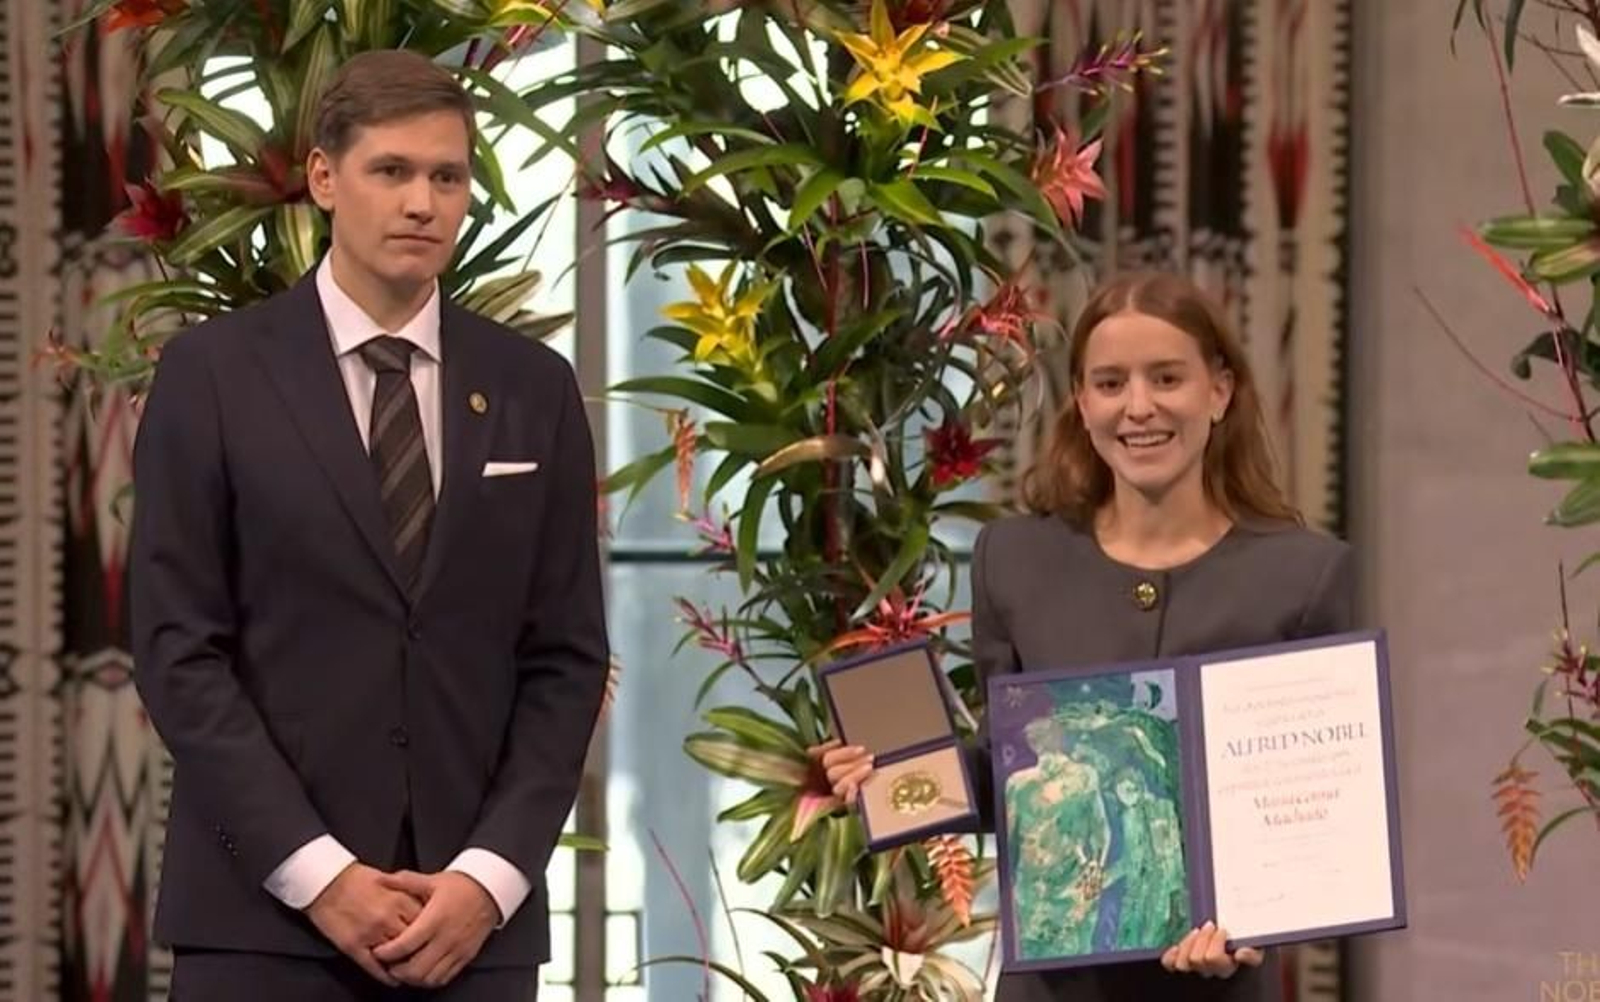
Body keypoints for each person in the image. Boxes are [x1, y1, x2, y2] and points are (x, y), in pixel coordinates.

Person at [129, 50, 609, 1001]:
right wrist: (321, 877)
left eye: (447, 176)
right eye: (391, 171)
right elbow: (179, 650)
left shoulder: (533, 387)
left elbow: (565, 659)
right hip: (262, 928)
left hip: (472, 933)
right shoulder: (212, 375)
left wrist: (490, 879)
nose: (422, 202)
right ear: (323, 178)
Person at [822, 270, 1353, 1001]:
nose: (1139, 408)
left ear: (1220, 391)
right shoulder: (1013, 558)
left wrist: (1255, 928)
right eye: (1110, 383)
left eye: (1167, 377)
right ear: (1081, 400)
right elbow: (1008, 770)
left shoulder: (1305, 577)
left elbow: (1323, 810)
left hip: (1219, 988)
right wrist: (890, 779)